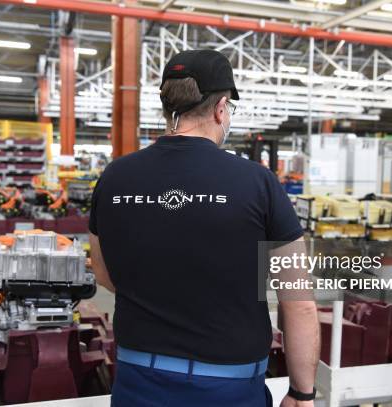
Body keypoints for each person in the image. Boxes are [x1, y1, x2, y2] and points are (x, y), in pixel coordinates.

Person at [88, 49, 320, 407]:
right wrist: (302, 392)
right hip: (229, 390)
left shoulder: (115, 177)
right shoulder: (258, 183)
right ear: (221, 108)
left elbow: (103, 271)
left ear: (167, 108)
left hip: (137, 382)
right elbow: (298, 300)